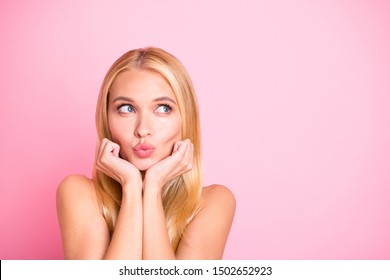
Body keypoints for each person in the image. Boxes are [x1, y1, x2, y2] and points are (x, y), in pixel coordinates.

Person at [56, 47, 235, 259]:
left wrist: (153, 187)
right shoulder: (78, 193)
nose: (142, 129)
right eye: (126, 109)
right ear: (107, 118)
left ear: (186, 118)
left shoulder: (214, 202)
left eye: (163, 108)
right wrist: (131, 186)